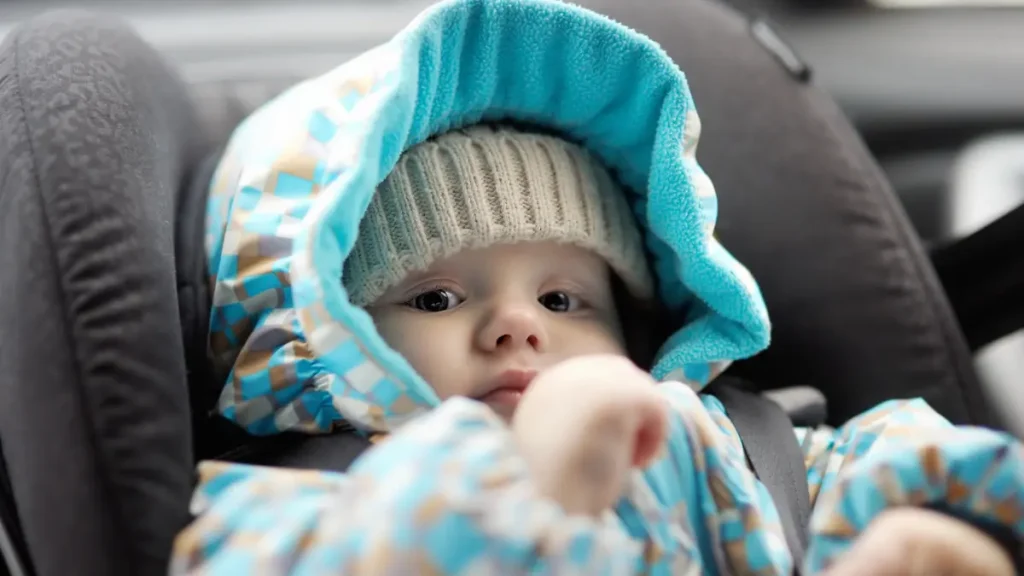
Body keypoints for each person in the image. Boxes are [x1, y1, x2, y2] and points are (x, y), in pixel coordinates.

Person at [171, 0, 1024, 573]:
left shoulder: (724, 441)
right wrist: (528, 484)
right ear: (319, 336)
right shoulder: (295, 496)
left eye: (563, 299)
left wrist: (949, 508)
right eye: (434, 298)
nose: (516, 325)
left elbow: (860, 463)